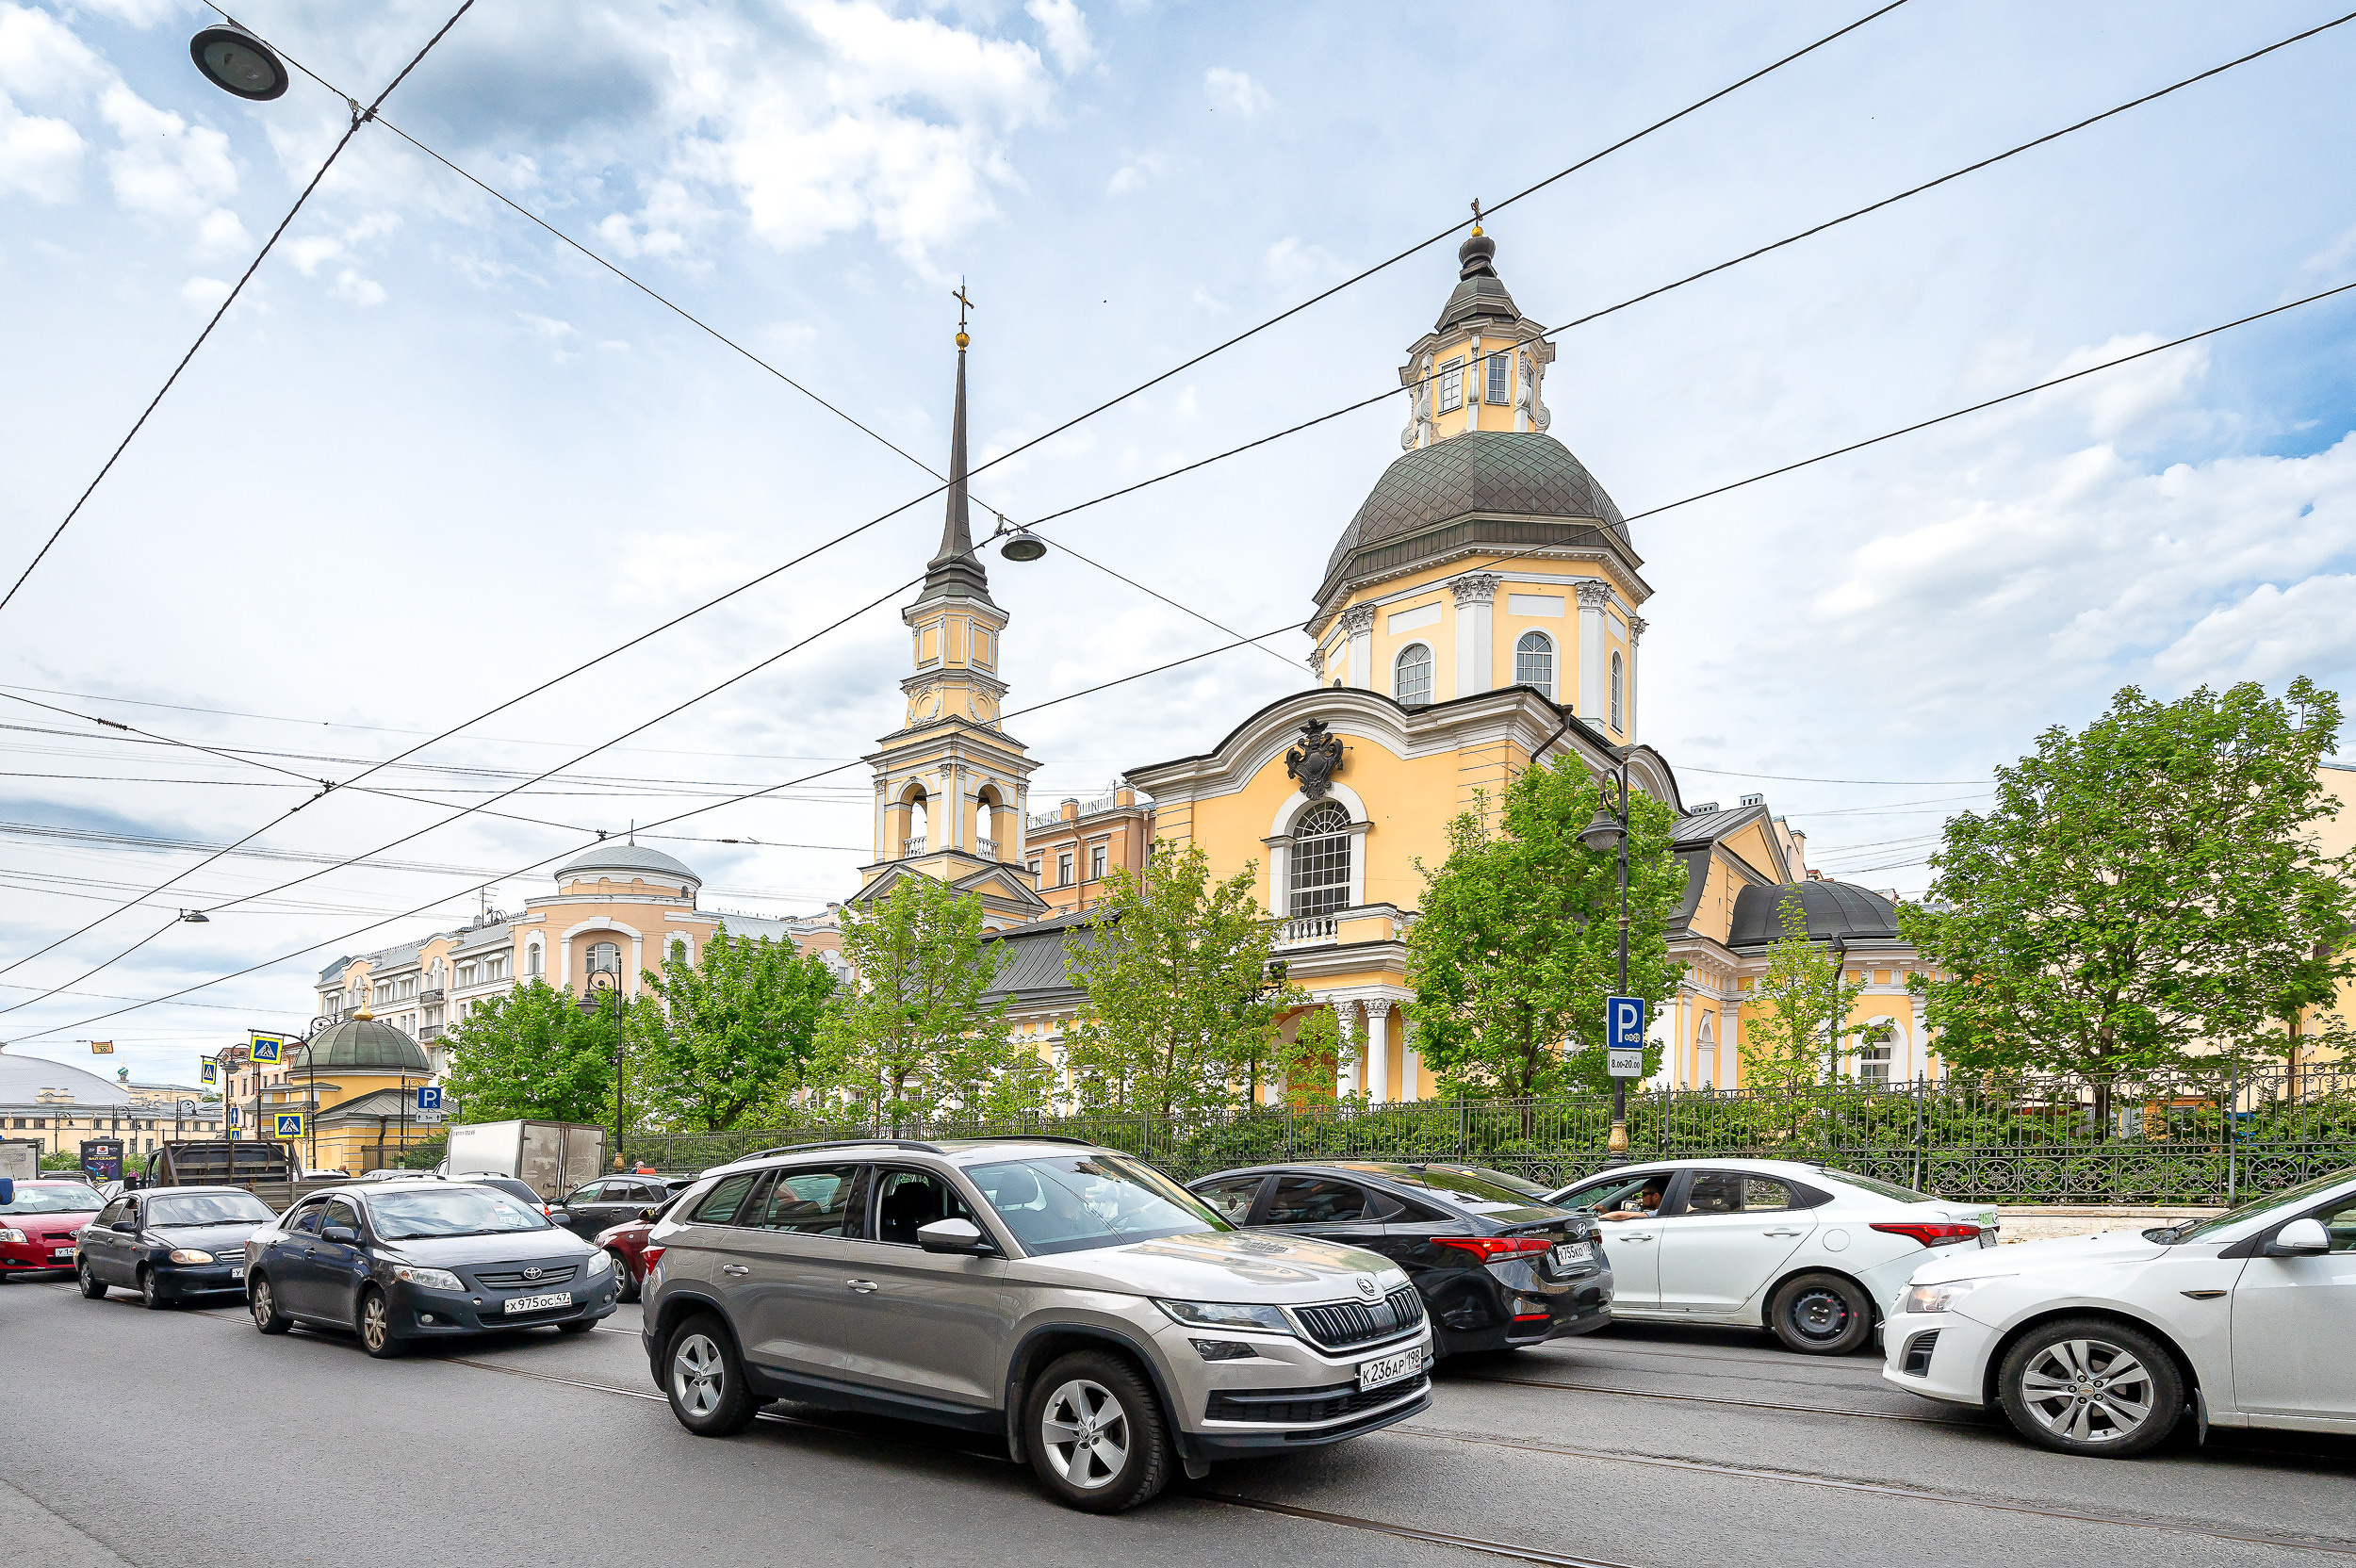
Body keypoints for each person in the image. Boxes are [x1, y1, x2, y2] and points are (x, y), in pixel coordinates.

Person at [1598, 1183, 1664, 1222]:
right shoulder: (1665, 1213)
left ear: (1656, 1196)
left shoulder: (1658, 1213)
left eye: (1644, 1194)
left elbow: (1621, 1215)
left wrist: (1597, 1218)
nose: (1641, 1197)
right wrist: (1607, 1214)